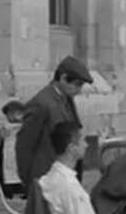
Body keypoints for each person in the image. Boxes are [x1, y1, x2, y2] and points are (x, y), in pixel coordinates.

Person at [16, 56, 89, 188]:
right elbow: (25, 144)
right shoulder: (42, 103)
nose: (79, 90)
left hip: (64, 175)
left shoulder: (66, 99)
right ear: (63, 78)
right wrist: (28, 181)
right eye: (77, 84)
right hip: (46, 177)